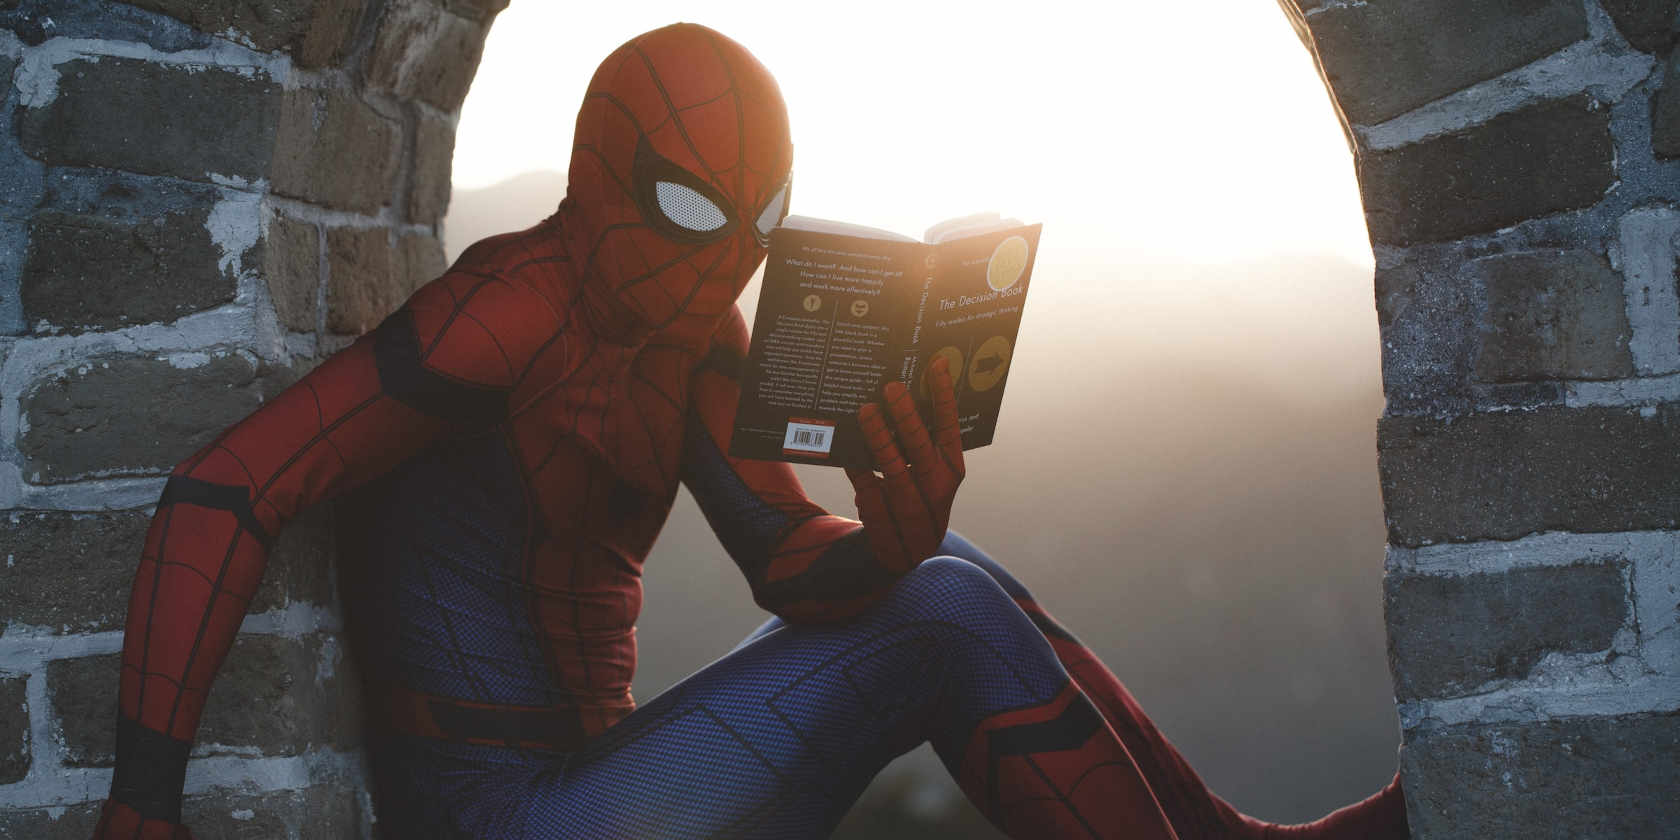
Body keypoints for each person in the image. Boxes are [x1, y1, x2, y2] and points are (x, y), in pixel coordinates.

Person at [92, 22, 1408, 840]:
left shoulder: (696, 336)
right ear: (605, 174)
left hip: (608, 781)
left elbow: (788, 559)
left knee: (953, 579)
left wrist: (892, 533)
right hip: (493, 813)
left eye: (758, 221)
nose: (725, 259)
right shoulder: (509, 312)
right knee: (944, 613)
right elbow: (230, 485)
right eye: (684, 205)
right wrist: (144, 799)